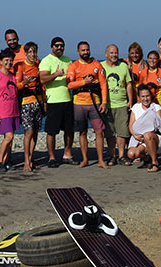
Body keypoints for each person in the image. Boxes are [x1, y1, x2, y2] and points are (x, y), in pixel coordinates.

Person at [66, 41, 109, 169]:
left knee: (99, 131)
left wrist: (104, 102)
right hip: (79, 103)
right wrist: (84, 82)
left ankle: (101, 160)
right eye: (83, 50)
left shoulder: (97, 65)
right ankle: (85, 159)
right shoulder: (73, 66)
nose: (86, 52)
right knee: (82, 132)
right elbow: (69, 84)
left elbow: (103, 84)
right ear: (78, 52)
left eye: (87, 50)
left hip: (94, 103)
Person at [39, 37, 74, 167]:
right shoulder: (46, 61)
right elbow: (42, 79)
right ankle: (52, 158)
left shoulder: (68, 60)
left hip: (68, 100)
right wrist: (55, 74)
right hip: (53, 101)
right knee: (51, 131)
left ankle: (67, 154)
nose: (59, 48)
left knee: (69, 130)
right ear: (52, 46)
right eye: (57, 46)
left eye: (62, 46)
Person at [0, 48, 21, 172]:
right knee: (9, 136)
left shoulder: (12, 76)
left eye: (11, 60)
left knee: (10, 138)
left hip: (13, 110)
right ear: (1, 61)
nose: (9, 63)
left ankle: (7, 161)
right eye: (6, 60)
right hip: (2, 111)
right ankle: (0, 161)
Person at [14, 41, 44, 171]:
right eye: (30, 52)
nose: (32, 54)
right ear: (25, 53)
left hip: (38, 101)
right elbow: (16, 85)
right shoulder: (20, 66)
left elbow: (42, 85)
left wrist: (45, 102)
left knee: (36, 132)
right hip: (26, 102)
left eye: (34, 51)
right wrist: (24, 83)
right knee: (29, 132)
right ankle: (26, 161)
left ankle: (31, 159)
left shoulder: (39, 65)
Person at [100, 44, 133, 166]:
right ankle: (112, 156)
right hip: (107, 105)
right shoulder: (101, 66)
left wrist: (130, 101)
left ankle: (122, 156)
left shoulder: (123, 66)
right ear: (106, 54)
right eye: (112, 53)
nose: (114, 55)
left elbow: (129, 84)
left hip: (122, 103)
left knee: (122, 132)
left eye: (116, 53)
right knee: (109, 132)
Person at [140, 50, 161, 162]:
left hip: (160, 104)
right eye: (150, 58)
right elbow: (139, 89)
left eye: (155, 58)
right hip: (147, 104)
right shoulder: (143, 72)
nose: (152, 60)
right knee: (149, 128)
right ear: (147, 59)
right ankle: (150, 153)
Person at [128, 85, 161, 172]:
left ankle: (155, 162)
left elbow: (158, 127)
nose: (145, 99)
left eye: (147, 96)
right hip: (139, 138)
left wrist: (145, 136)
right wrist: (135, 136)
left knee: (147, 135)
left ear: (151, 96)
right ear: (139, 97)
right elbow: (131, 126)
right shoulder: (136, 107)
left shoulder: (156, 108)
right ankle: (146, 159)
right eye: (143, 96)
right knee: (132, 154)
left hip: (155, 138)